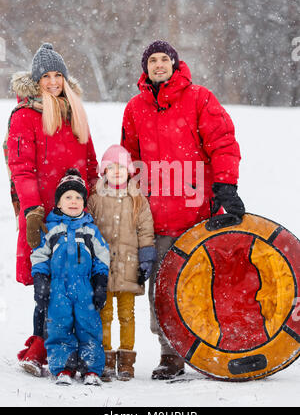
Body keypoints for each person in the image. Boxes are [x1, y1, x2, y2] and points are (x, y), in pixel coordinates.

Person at [121, 40, 245, 380]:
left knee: (204, 287)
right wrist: (129, 200)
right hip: (156, 219)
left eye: (165, 59)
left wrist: (226, 186)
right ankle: (170, 354)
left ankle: (215, 348)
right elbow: (130, 157)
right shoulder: (135, 108)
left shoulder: (200, 98)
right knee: (161, 291)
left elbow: (223, 143)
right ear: (145, 68)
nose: (159, 65)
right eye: (152, 60)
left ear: (175, 65)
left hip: (197, 216)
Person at [5, 43, 99, 376]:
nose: (53, 81)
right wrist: (31, 210)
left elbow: (90, 165)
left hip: (76, 214)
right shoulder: (24, 116)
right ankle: (40, 346)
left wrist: (95, 201)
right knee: (46, 284)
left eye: (58, 75)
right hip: (43, 214)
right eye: (46, 76)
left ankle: (65, 347)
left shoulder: (76, 112)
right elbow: (21, 167)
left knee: (75, 284)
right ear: (36, 79)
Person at [30, 169, 109, 385]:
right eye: (68, 197)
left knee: (89, 327)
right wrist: (40, 280)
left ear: (84, 202)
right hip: (58, 288)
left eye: (78, 197)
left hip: (85, 288)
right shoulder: (51, 229)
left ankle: (91, 369)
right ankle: (63, 367)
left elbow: (102, 255)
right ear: (58, 203)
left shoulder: (91, 230)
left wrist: (100, 282)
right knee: (58, 326)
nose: (73, 201)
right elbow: (39, 255)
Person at [87, 144, 156, 381]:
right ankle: (105, 359)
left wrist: (146, 258)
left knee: (127, 315)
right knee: (104, 315)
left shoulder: (138, 200)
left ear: (129, 171)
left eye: (121, 168)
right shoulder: (95, 199)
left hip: (129, 267)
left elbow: (146, 231)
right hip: (103, 269)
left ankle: (126, 362)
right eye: (111, 168)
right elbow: (89, 230)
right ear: (103, 172)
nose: (116, 172)